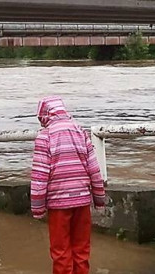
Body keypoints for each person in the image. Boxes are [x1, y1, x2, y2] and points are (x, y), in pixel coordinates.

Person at [30, 96, 105, 274]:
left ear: (44, 116)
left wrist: (37, 208)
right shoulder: (80, 131)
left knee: (61, 252)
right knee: (82, 249)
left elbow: (40, 177)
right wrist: (99, 199)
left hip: (58, 204)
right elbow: (94, 169)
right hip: (82, 202)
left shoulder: (45, 137)